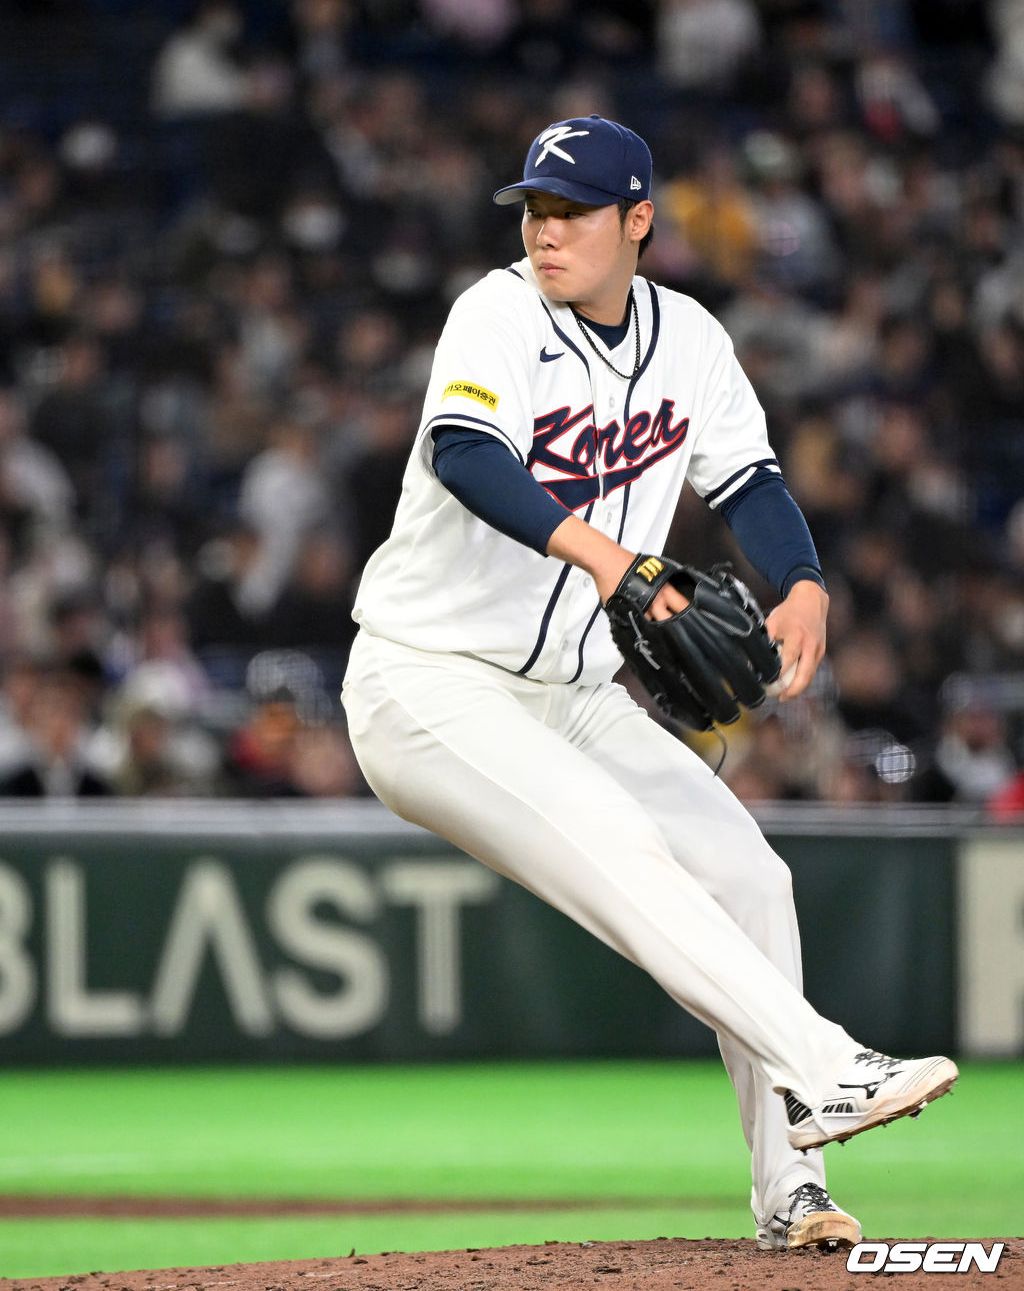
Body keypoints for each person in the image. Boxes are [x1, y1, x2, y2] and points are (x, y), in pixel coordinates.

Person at [340, 115, 958, 1252]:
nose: (544, 232)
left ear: (638, 222)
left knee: (751, 877)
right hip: (428, 681)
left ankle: (793, 1193)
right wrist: (613, 560)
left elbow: (750, 480)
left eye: (570, 213)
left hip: (572, 692)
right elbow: (466, 455)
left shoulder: (690, 339)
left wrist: (804, 584)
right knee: (619, 843)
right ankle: (826, 1062)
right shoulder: (495, 314)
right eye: (533, 210)